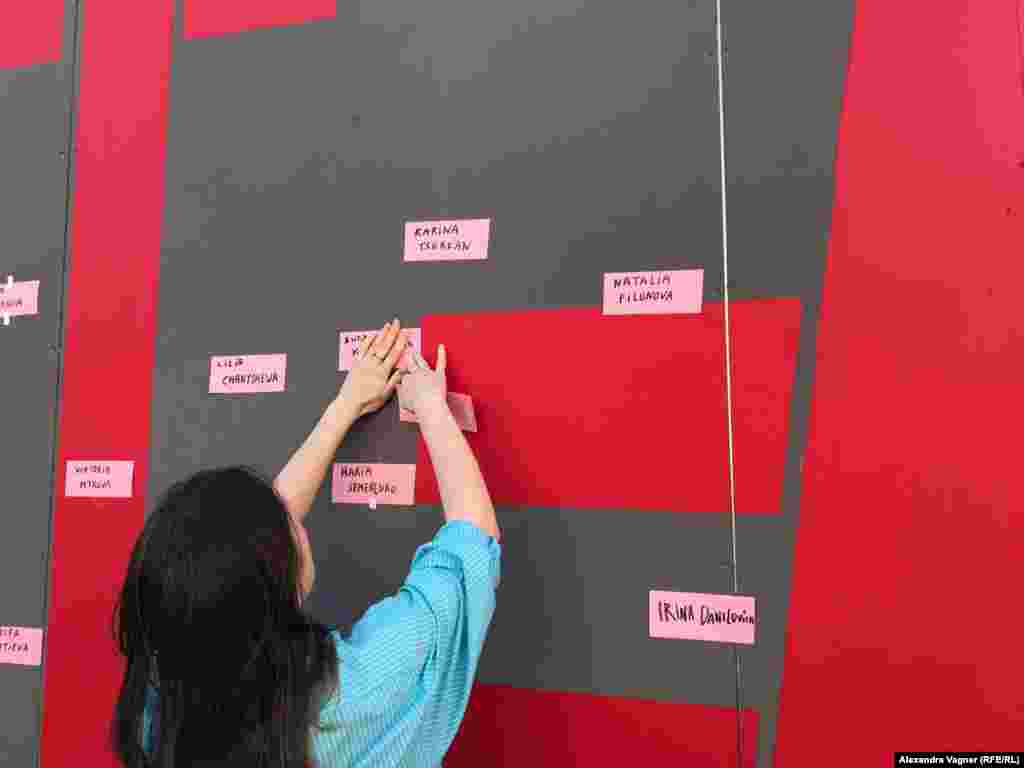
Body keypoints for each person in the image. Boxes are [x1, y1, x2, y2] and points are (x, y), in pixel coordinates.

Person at [112, 319, 501, 768]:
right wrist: (431, 407)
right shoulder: (354, 692)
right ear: (278, 576)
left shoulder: (161, 704)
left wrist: (347, 404)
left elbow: (245, 550)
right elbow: (472, 546)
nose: (291, 524)